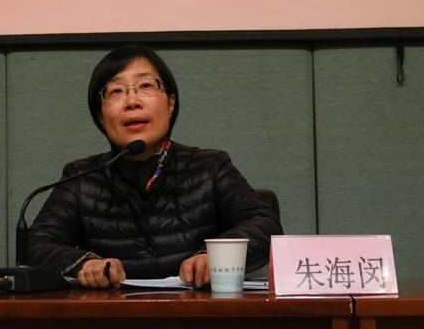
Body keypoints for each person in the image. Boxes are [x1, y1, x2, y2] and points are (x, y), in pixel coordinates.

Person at [28, 44, 283, 289]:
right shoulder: (81, 178)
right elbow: (36, 243)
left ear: (170, 104)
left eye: (145, 86)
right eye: (116, 91)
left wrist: (212, 256)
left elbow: (265, 224)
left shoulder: (210, 167)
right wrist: (84, 265)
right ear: (100, 116)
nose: (132, 101)